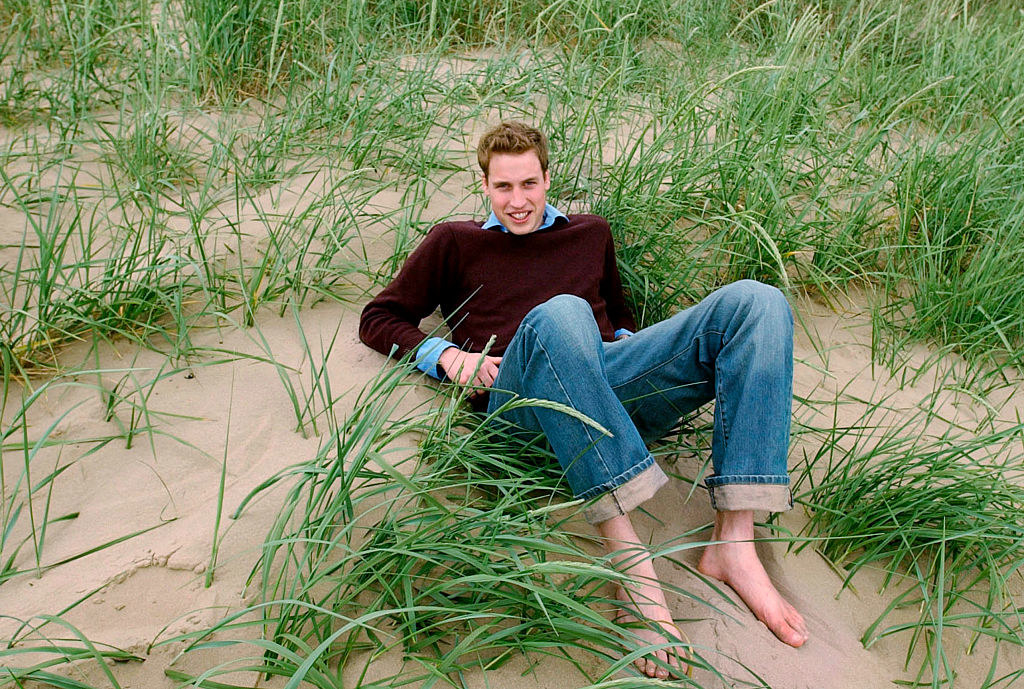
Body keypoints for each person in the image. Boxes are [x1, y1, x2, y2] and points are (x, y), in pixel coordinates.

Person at [359, 121, 808, 679]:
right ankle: (629, 562)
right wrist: (451, 358)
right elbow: (378, 318)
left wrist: (626, 345)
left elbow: (618, 313)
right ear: (485, 186)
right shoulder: (454, 242)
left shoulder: (591, 233)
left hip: (605, 386)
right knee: (562, 311)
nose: (518, 202)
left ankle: (734, 544)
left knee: (757, 302)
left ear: (548, 178)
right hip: (519, 405)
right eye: (503, 188)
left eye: (529, 184)